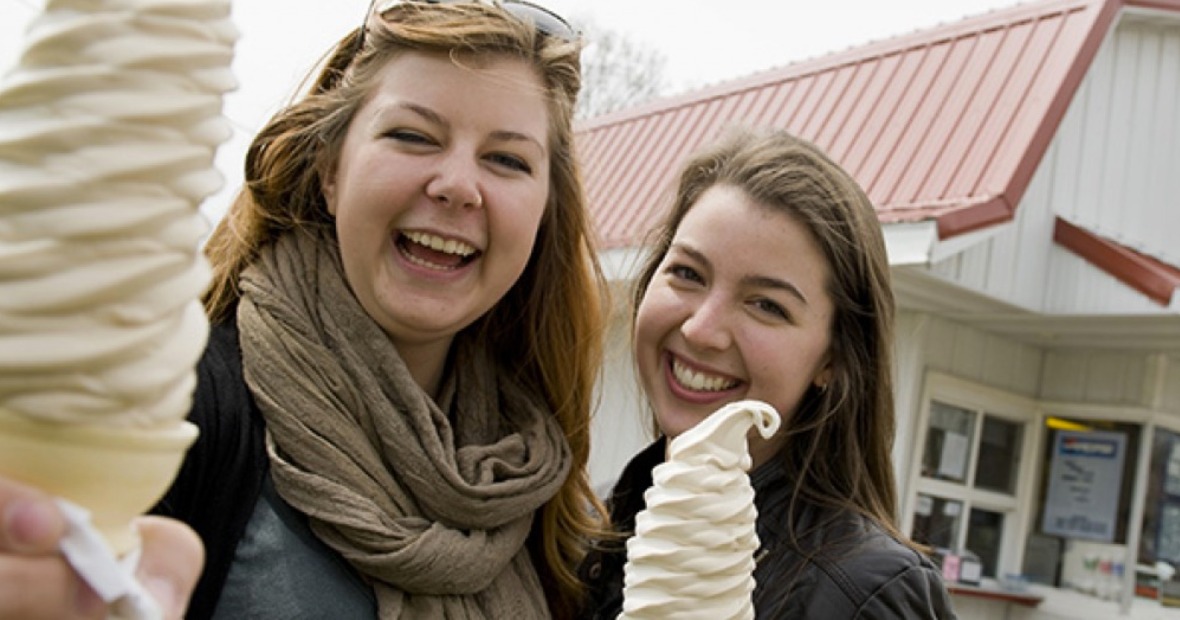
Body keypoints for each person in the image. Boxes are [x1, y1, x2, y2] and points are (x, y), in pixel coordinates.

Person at [0, 1, 607, 619]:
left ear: (543, 211)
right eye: (413, 136)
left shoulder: (537, 491)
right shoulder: (172, 409)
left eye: (507, 159)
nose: (456, 184)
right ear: (330, 172)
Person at [579, 128, 957, 618]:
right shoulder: (586, 527)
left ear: (833, 359)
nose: (701, 330)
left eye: (766, 305)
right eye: (688, 273)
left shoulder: (869, 595)